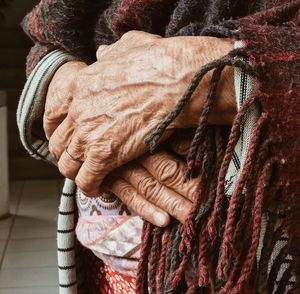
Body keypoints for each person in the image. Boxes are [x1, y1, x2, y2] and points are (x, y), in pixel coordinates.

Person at [17, 0, 299, 293]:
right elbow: (50, 34)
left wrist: (211, 77)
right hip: (113, 262)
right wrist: (67, 84)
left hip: (269, 249)